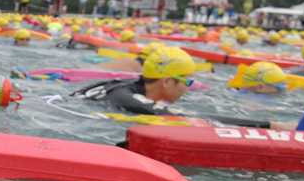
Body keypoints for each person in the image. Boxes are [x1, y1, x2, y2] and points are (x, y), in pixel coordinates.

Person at [76, 46, 292, 129]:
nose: (188, 89)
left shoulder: (131, 88)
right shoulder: (129, 98)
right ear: (167, 81)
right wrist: (271, 125)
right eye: (188, 82)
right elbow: (192, 120)